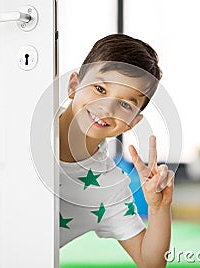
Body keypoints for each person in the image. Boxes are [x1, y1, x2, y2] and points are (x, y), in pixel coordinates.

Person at [58, 34, 175, 268]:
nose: (106, 108)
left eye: (124, 104)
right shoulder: (28, 120)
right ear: (73, 85)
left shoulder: (109, 187)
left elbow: (150, 262)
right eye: (100, 88)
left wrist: (158, 208)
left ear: (133, 122)